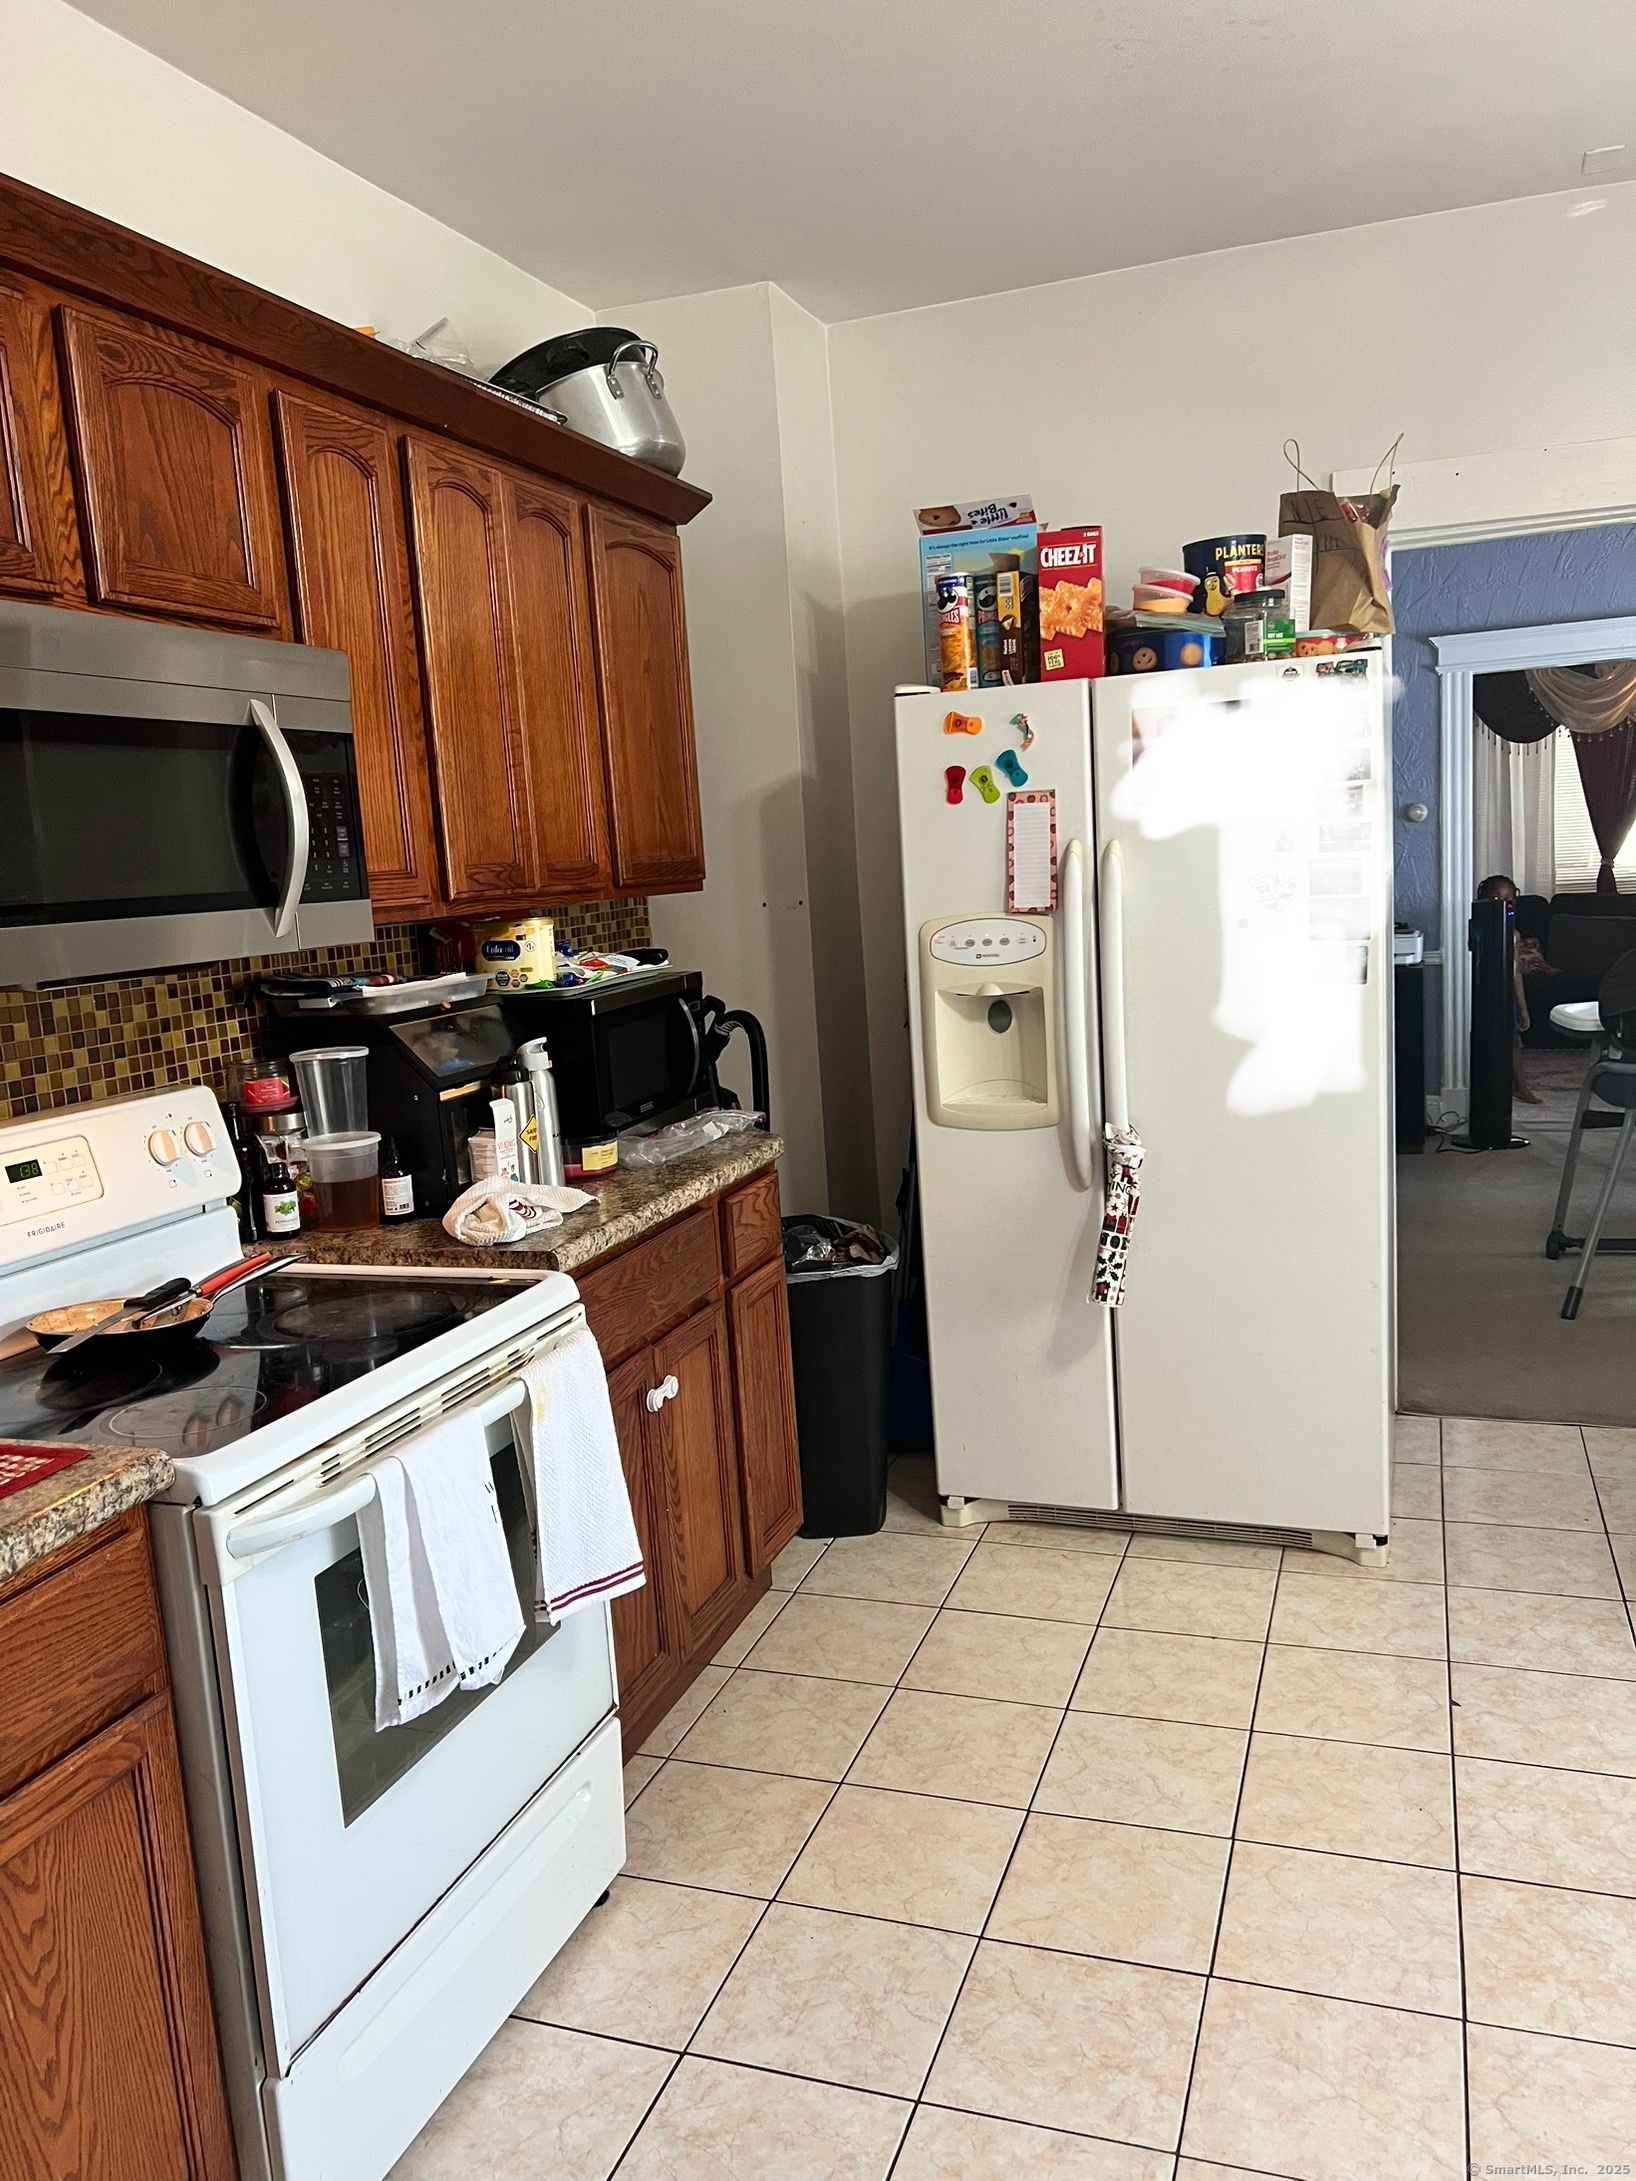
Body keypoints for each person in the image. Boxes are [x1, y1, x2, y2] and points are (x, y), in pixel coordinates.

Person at [1476, 874, 1545, 1103]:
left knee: (1512, 1042)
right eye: (1495, 897)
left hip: (1506, 997)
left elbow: (1515, 973)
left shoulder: (1513, 936)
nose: (1502, 902)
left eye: (1508, 897)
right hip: (1483, 994)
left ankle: (1521, 1086)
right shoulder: (1477, 930)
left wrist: (1523, 1008)